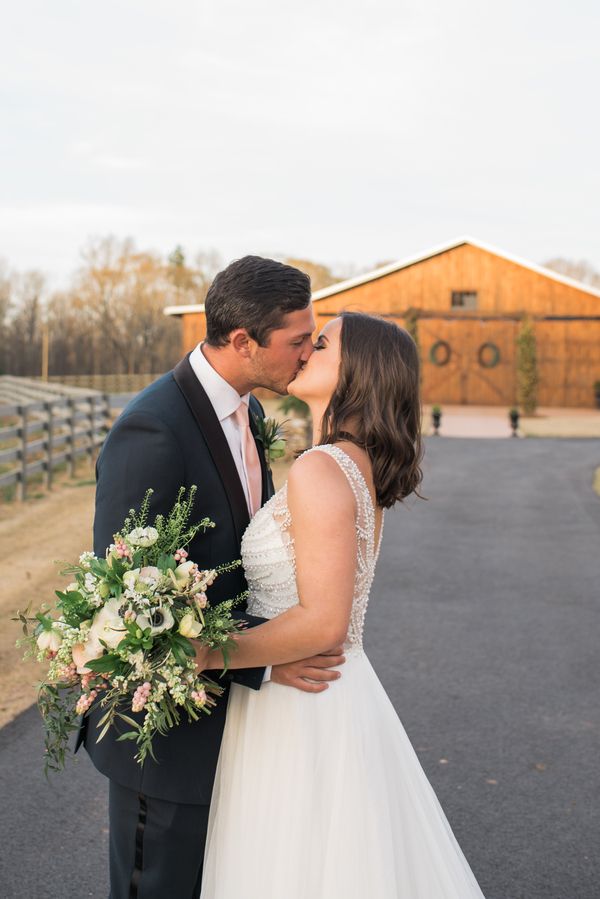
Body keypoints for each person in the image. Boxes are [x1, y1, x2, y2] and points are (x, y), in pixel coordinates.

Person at [75, 256, 345, 899]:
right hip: (164, 737)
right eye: (298, 342)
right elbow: (129, 606)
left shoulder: (248, 412)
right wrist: (259, 661)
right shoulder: (154, 429)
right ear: (244, 341)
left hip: (230, 725)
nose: (308, 354)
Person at [197, 312, 487, 898]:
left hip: (304, 705)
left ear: (357, 372)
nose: (304, 351)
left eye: (320, 343)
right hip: (319, 690)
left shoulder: (323, 467)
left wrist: (205, 653)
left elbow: (325, 621)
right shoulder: (351, 465)